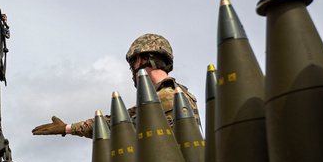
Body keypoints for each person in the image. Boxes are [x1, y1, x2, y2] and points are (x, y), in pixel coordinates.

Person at [31, 33, 200, 138]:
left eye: (133, 63)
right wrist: (67, 128)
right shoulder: (181, 95)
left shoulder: (163, 99)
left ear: (140, 59)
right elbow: (114, 121)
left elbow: (119, 127)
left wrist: (68, 129)